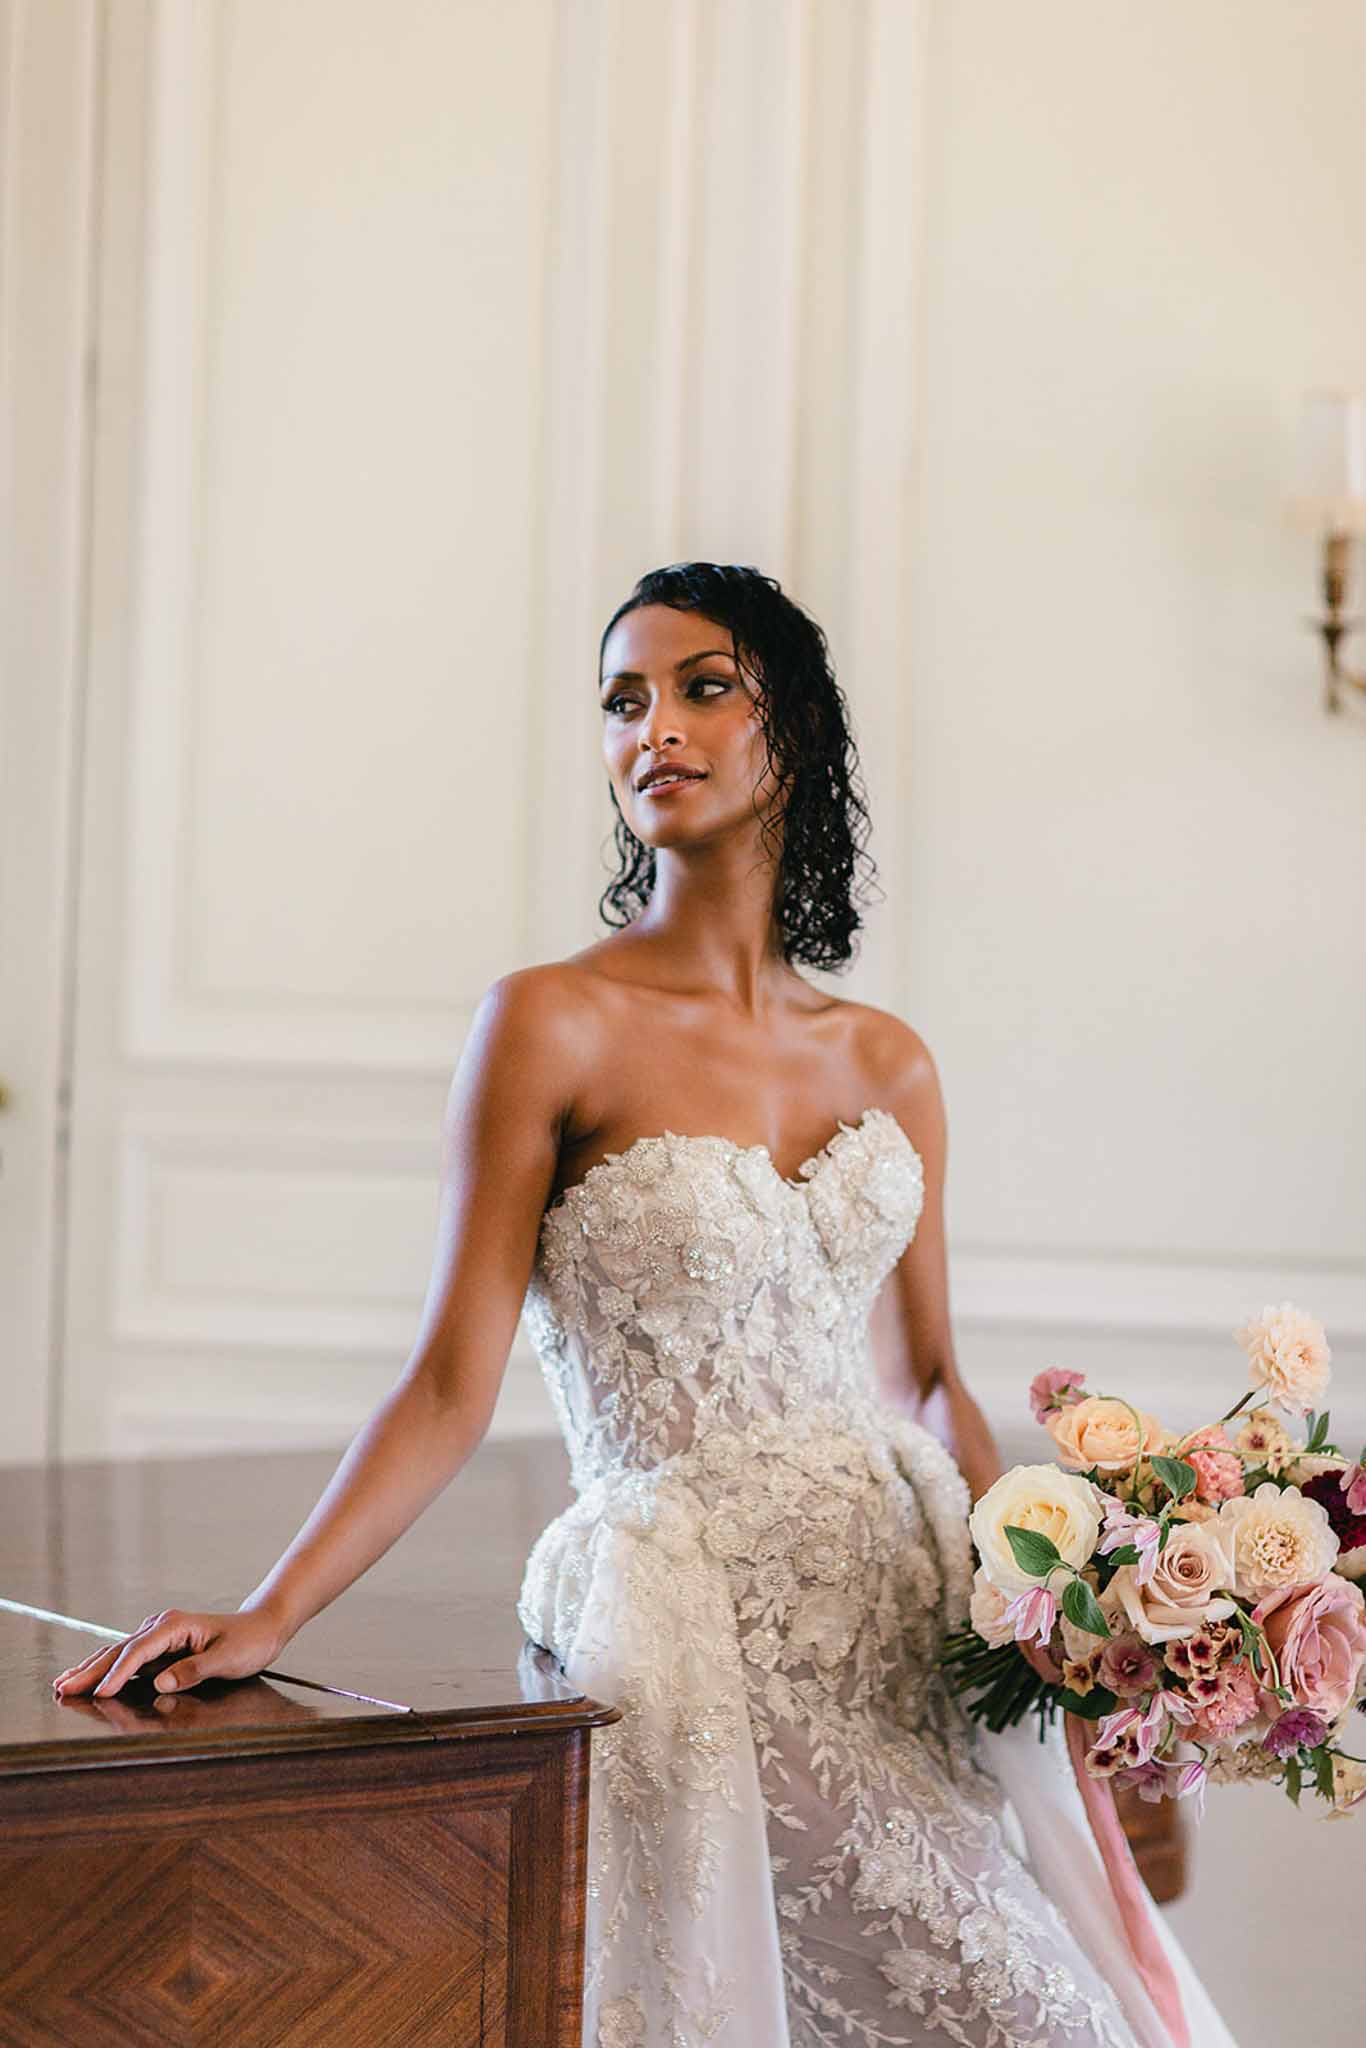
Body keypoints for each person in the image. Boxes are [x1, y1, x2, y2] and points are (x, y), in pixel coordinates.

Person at [53, 563, 1237, 2048]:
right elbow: (446, 1384)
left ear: (789, 735)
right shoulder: (552, 1021)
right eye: (622, 701)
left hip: (899, 1606)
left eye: (701, 687)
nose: (650, 729)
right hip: (687, 1618)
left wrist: (1045, 1612)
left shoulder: (887, 1059)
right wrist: (270, 1612)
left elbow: (928, 1383)